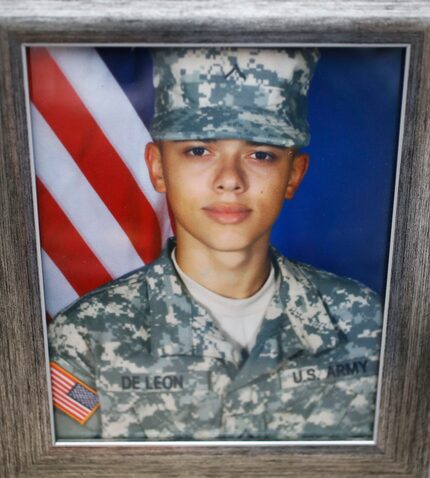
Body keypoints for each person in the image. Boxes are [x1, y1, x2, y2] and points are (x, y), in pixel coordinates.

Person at [49, 47, 382, 441]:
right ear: (158, 167)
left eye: (260, 154)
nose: (229, 179)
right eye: (199, 151)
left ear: (293, 175)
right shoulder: (85, 338)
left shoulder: (362, 321)